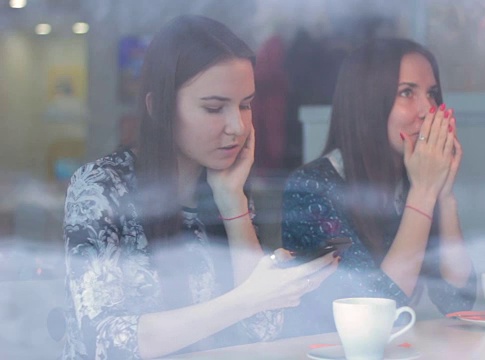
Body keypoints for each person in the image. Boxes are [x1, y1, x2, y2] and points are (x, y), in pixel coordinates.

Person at [62, 15, 339, 359]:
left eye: (246, 105)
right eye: (214, 108)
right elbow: (107, 343)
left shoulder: (224, 183)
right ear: (158, 108)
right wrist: (247, 299)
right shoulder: (101, 187)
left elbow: (262, 329)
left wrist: (232, 201)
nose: (237, 126)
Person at [281, 38, 476, 335]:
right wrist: (423, 194)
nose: (428, 109)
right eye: (407, 92)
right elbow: (376, 309)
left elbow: (458, 301)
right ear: (367, 103)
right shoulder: (313, 187)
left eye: (432, 94)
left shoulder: (413, 180)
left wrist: (445, 195)